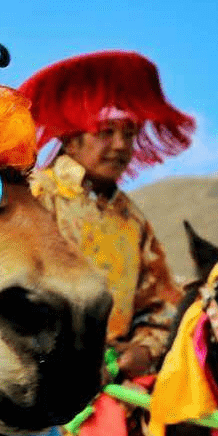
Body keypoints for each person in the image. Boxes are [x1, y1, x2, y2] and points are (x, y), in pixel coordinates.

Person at [20, 50, 191, 379]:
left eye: (129, 135)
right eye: (105, 133)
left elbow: (160, 303)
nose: (121, 146)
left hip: (115, 381)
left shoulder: (132, 220)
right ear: (70, 140)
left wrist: (144, 349)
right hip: (37, 375)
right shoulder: (33, 196)